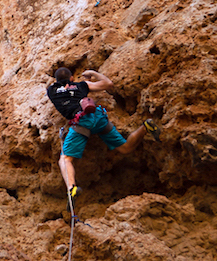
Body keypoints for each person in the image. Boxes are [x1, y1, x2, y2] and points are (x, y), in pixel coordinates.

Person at [46, 66, 160, 201]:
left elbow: (52, 86)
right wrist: (93, 73)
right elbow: (108, 84)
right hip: (97, 116)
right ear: (71, 78)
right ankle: (145, 127)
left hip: (81, 122)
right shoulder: (81, 85)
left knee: (65, 159)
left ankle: (72, 188)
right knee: (125, 148)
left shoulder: (51, 91)